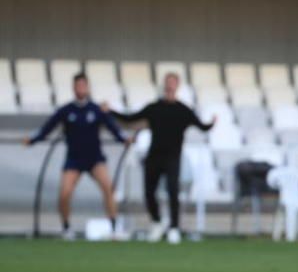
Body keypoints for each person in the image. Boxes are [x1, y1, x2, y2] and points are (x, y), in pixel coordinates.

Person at [106, 73, 215, 244]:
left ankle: (174, 228)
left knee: (173, 191)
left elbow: (202, 126)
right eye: (168, 82)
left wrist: (212, 123)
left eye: (173, 83)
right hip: (154, 156)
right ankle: (157, 222)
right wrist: (110, 111)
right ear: (164, 85)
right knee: (149, 192)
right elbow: (130, 118)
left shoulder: (183, 110)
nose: (170, 86)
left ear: (177, 85)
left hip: (173, 158)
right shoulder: (154, 108)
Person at [23, 73, 129, 239]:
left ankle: (114, 227)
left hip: (95, 159)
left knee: (108, 189)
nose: (80, 88)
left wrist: (124, 139)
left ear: (87, 87)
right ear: (73, 88)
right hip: (74, 160)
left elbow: (113, 128)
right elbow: (47, 129)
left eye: (83, 85)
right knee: (64, 193)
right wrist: (32, 140)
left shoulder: (96, 109)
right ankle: (66, 228)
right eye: (77, 85)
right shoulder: (66, 111)